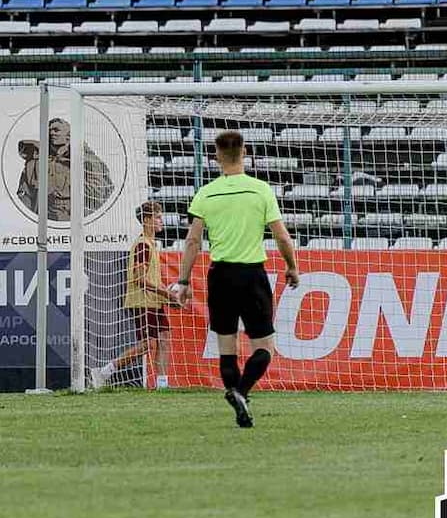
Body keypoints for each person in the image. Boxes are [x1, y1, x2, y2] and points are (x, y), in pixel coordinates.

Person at [172, 130, 301, 429]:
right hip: (252, 274)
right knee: (264, 348)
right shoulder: (260, 190)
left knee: (226, 348)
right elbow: (281, 235)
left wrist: (184, 280)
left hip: (221, 276)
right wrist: (292, 267)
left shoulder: (207, 193)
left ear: (216, 156)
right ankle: (242, 392)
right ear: (245, 153)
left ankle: (237, 399)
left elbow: (193, 242)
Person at [93, 201, 178, 391]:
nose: (161, 221)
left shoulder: (151, 244)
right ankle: (105, 371)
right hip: (143, 301)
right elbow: (140, 279)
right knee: (147, 345)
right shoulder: (142, 245)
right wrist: (166, 293)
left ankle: (163, 385)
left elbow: (150, 277)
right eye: (157, 217)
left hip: (154, 301)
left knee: (164, 338)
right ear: (147, 220)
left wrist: (167, 295)